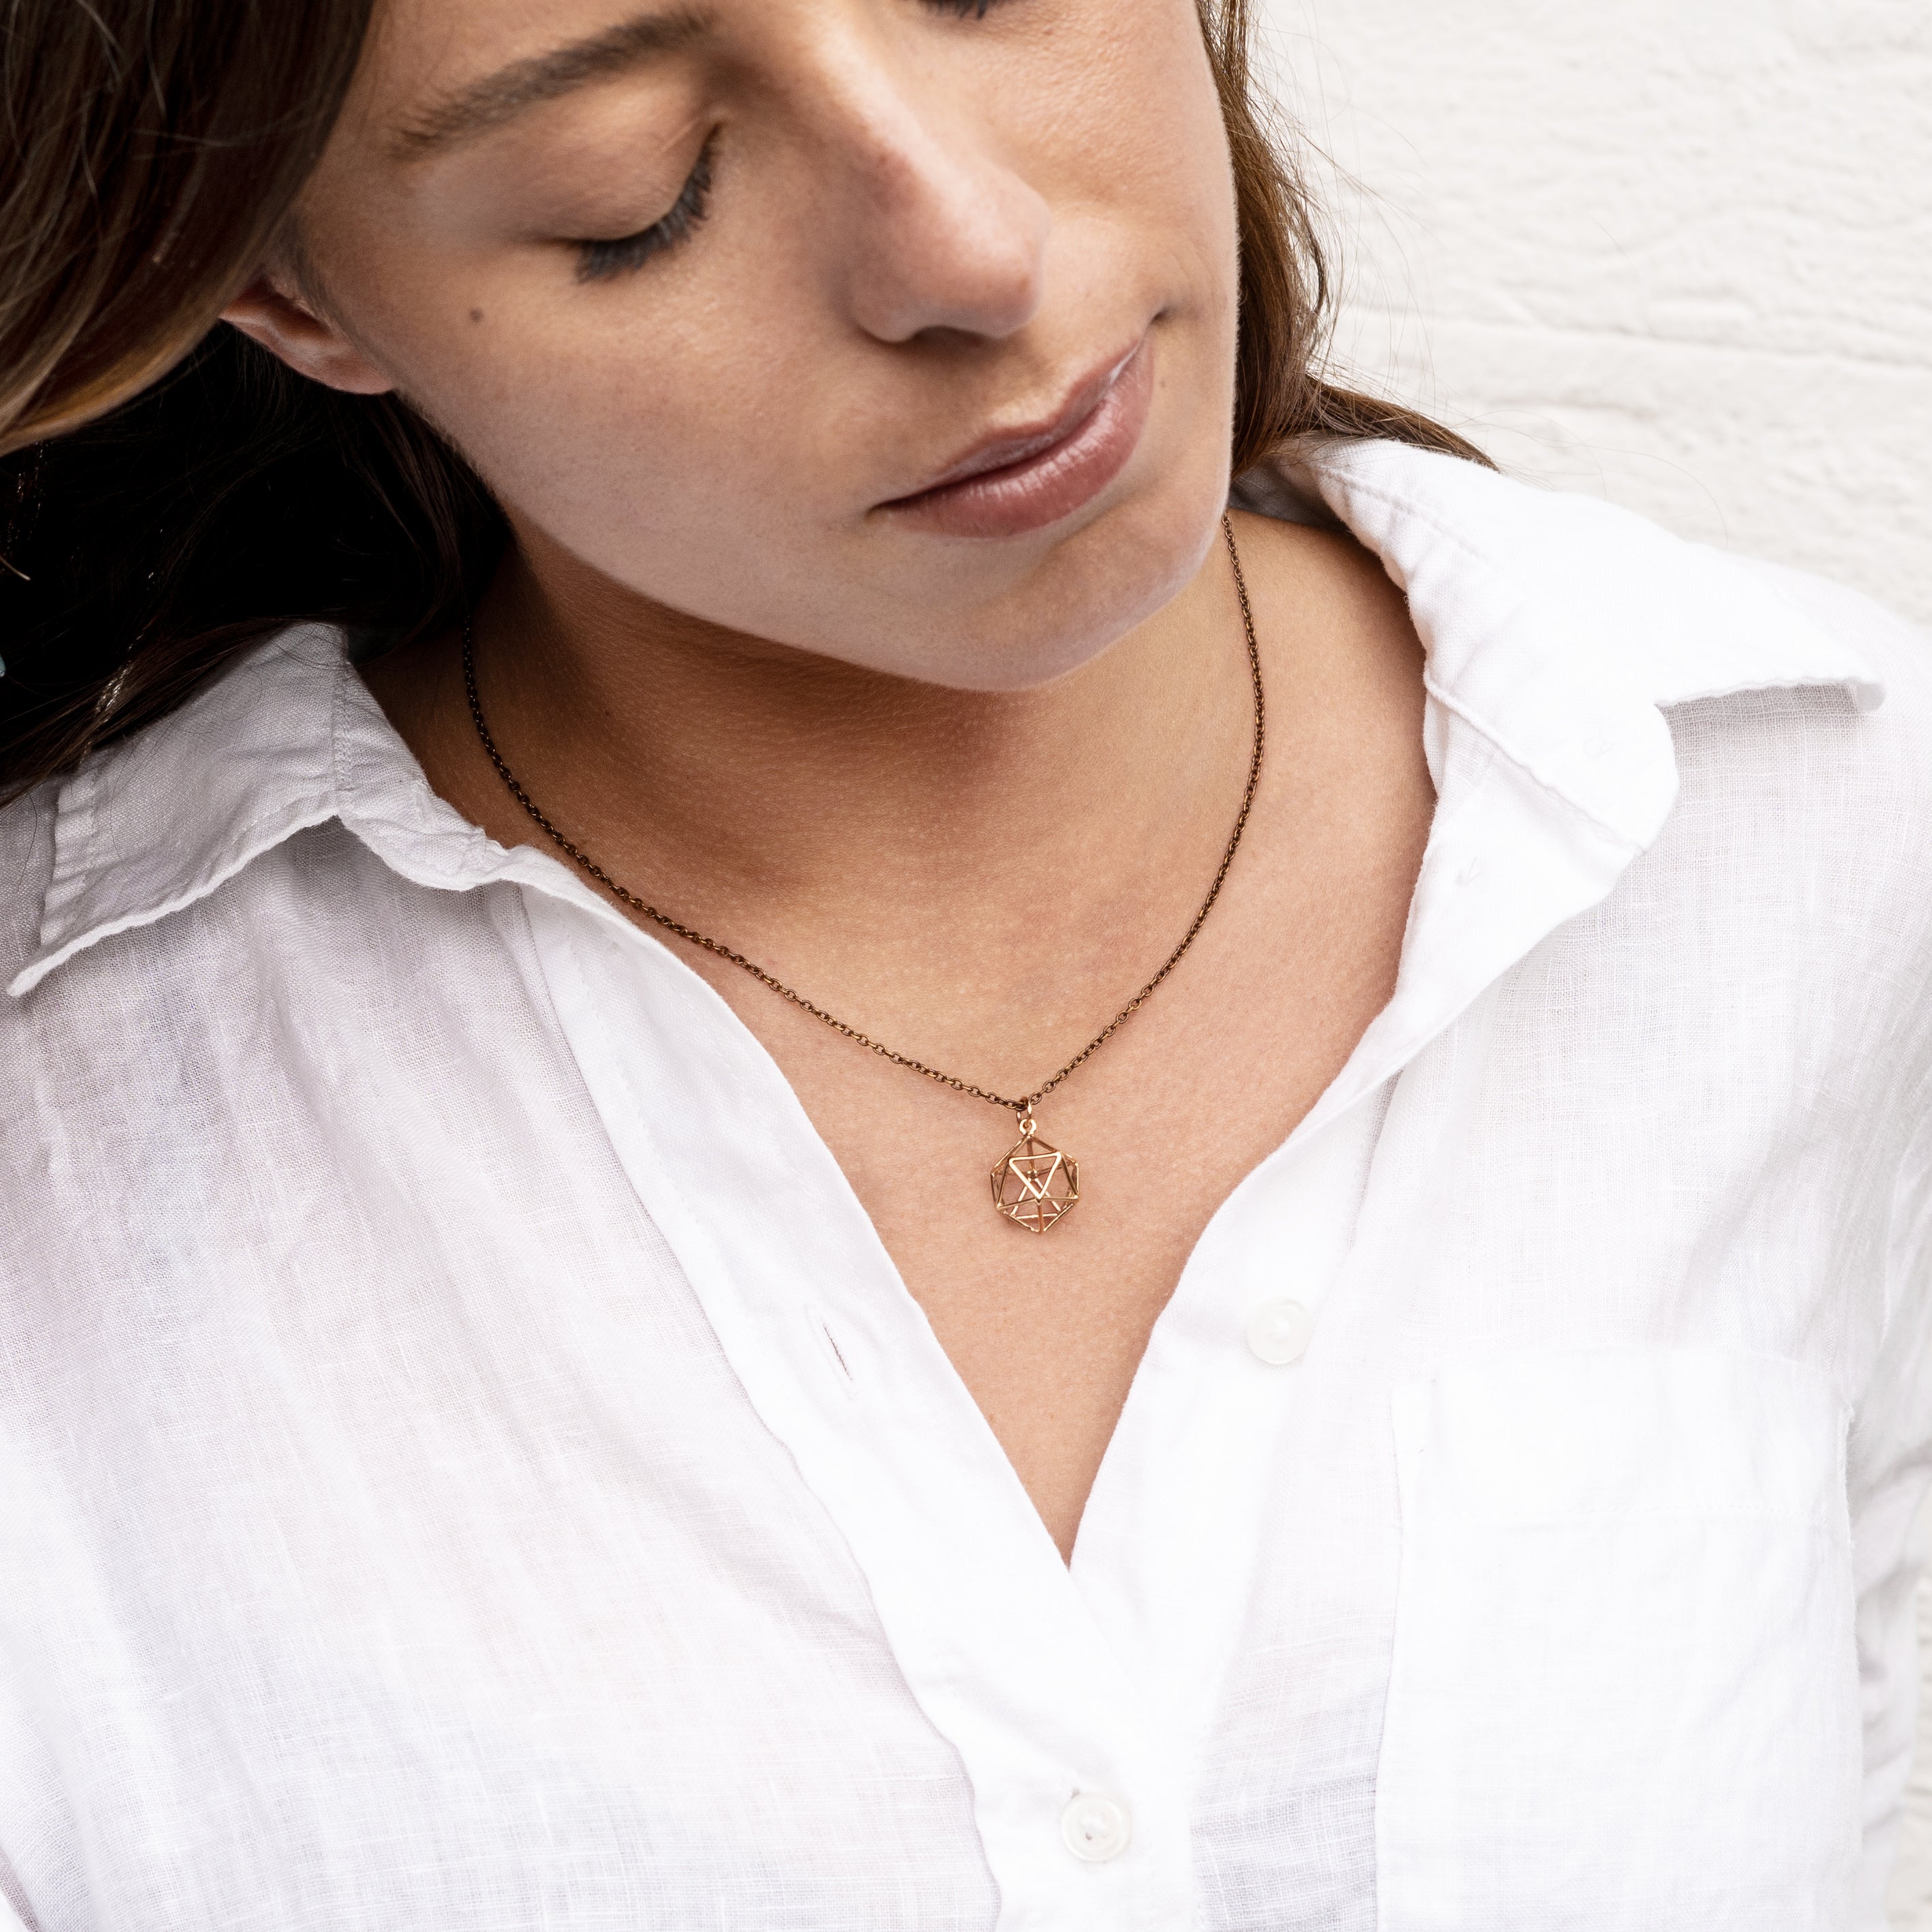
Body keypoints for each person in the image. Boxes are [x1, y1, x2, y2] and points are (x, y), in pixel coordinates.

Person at [2, 0, 1929, 1925]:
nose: (970, 254)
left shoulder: (1802, 810)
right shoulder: (66, 1132)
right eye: (641, 197)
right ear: (285, 296)